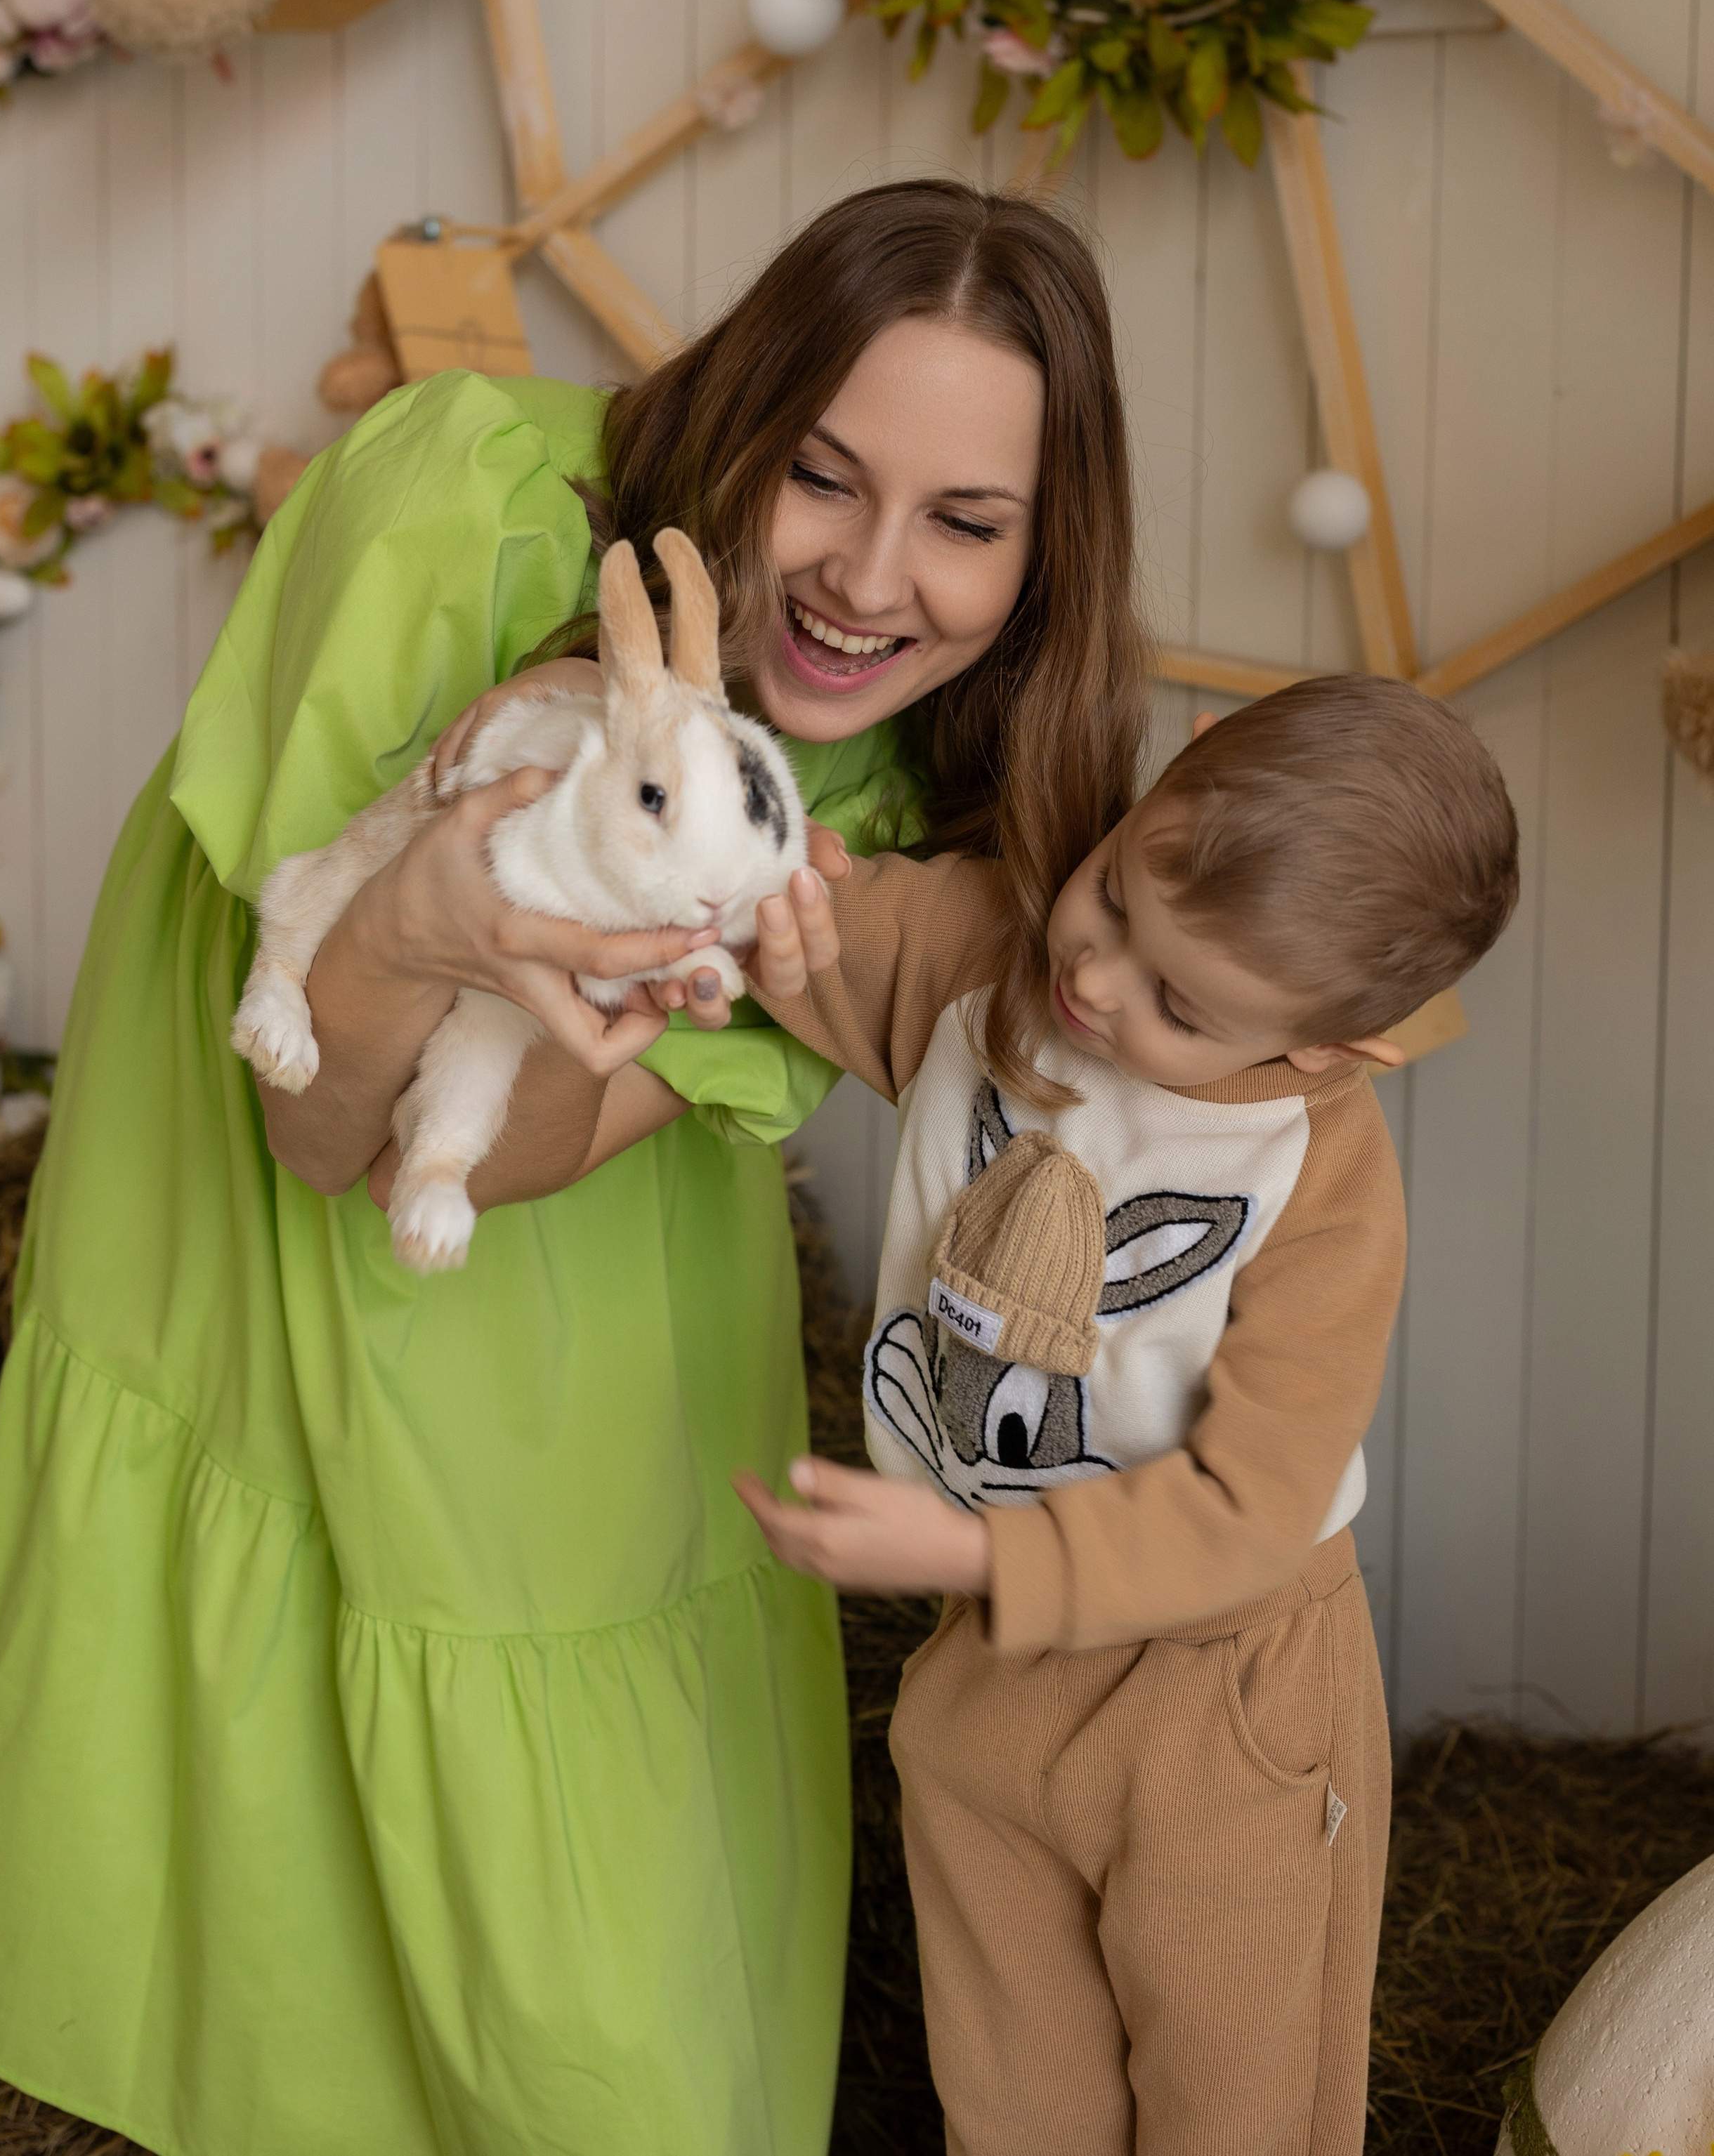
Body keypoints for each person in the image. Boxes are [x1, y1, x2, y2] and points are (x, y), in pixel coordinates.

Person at [0, 181, 1149, 2156]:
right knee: (260, 1912)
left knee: (602, 1980)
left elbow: (511, 1155)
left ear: (1048, 550)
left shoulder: (893, 810)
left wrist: (571, 991)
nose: (866, 580)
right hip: (265, 1204)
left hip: (552, 1285)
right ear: (744, 414)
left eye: (966, 521)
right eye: (821, 477)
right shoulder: (451, 497)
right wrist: (422, 919)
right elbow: (316, 1130)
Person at [494, 674, 1520, 2156]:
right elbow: (801, 922)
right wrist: (742, 874)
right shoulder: (989, 951)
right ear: (1163, 786)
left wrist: (971, 1552)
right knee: (1011, 2078)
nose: (1094, 981)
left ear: (1326, 1047)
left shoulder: (1316, 1183)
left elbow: (1250, 1505)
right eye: (1114, 894)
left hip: (1218, 1692)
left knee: (1231, 2090)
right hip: (986, 1658)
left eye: (1179, 1003)